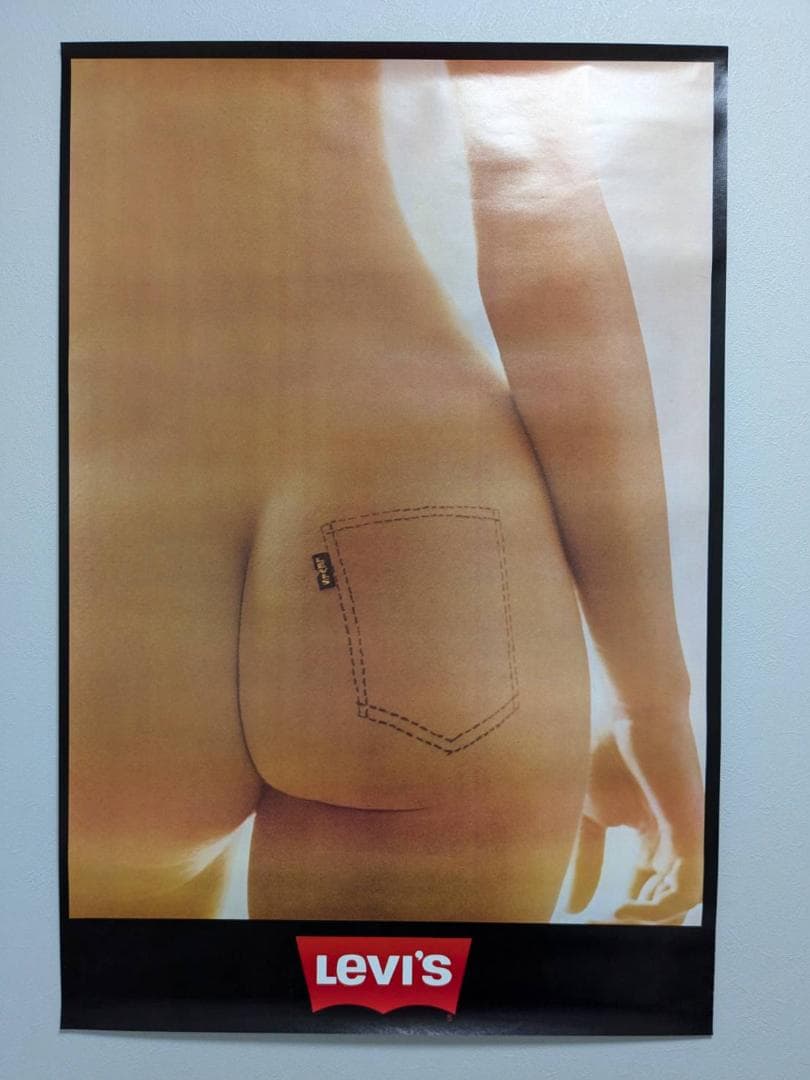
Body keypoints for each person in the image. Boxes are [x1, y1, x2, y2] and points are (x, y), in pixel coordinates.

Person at [68, 57, 704, 924]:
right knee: (402, 1017)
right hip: (421, 515)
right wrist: (651, 700)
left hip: (105, 535)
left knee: (120, 1011)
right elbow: (546, 223)